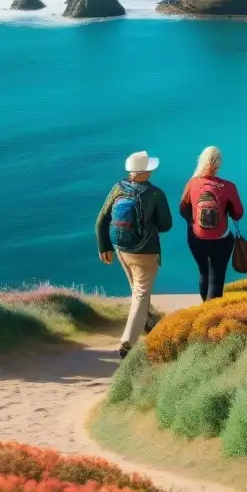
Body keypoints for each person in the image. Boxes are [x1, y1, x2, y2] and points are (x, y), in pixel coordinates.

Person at [95, 150, 173, 358]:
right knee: (140, 293)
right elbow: (166, 225)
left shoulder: (118, 188)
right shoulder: (155, 194)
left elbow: (102, 219)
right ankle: (127, 344)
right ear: (145, 171)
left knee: (137, 289)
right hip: (145, 252)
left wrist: (104, 247)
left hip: (121, 249)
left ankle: (148, 322)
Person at [179, 146, 245, 302]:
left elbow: (182, 209)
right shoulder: (228, 187)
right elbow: (238, 214)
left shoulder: (192, 183)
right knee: (217, 276)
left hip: (196, 238)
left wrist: (193, 221)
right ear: (218, 164)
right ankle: (210, 315)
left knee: (203, 272)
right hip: (221, 239)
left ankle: (205, 307)